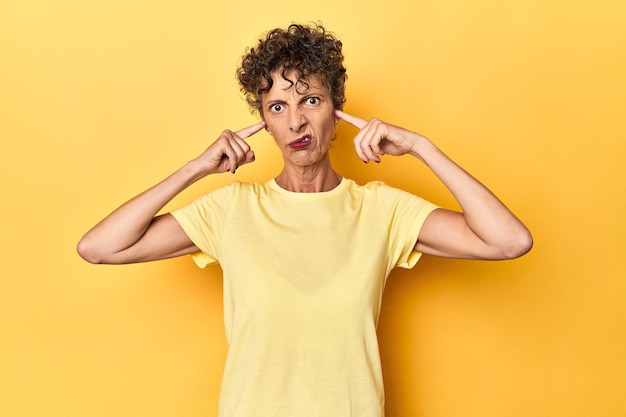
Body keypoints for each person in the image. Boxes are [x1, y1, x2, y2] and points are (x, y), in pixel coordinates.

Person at [77, 23, 532, 417]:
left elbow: (508, 241)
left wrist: (421, 147)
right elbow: (99, 247)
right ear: (263, 122)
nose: (296, 122)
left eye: (310, 100)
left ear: (337, 114)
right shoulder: (231, 210)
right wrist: (197, 167)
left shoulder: (381, 210)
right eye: (277, 107)